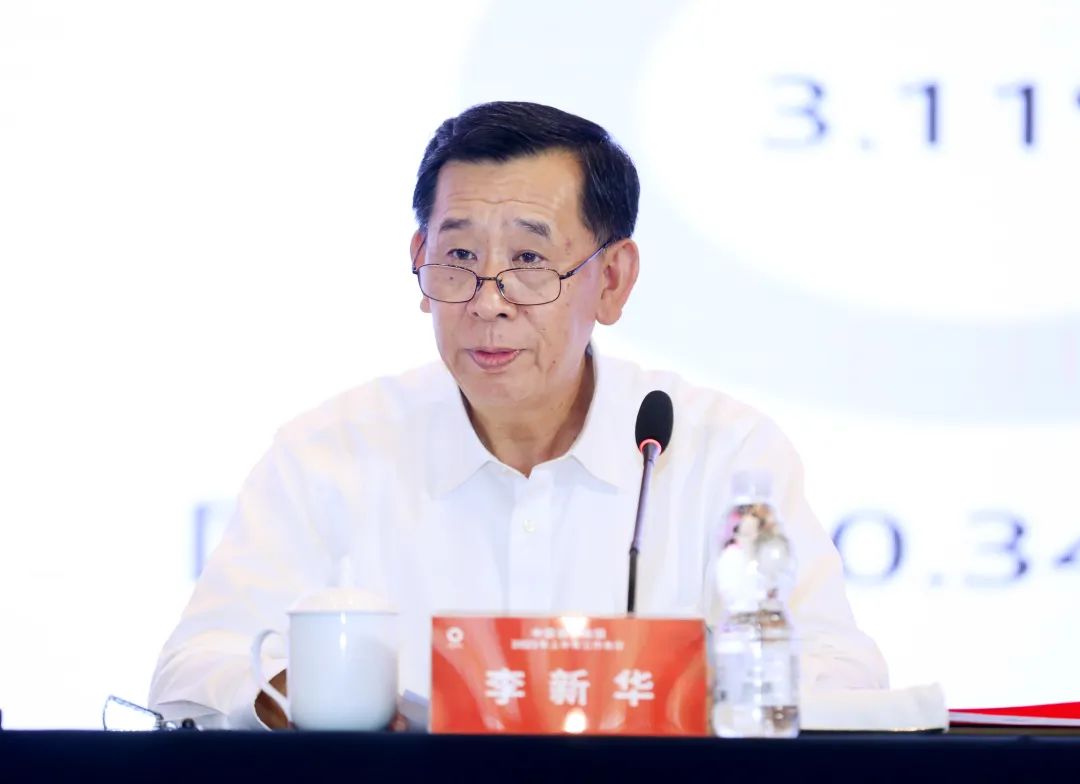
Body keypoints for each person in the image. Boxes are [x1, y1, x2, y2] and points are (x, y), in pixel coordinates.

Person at [149, 101, 887, 729]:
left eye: (530, 262)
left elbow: (841, 672)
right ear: (420, 260)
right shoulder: (328, 453)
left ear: (612, 279)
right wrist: (320, 700)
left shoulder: (721, 452)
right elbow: (192, 672)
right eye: (459, 256)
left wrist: (678, 694)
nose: (487, 300)